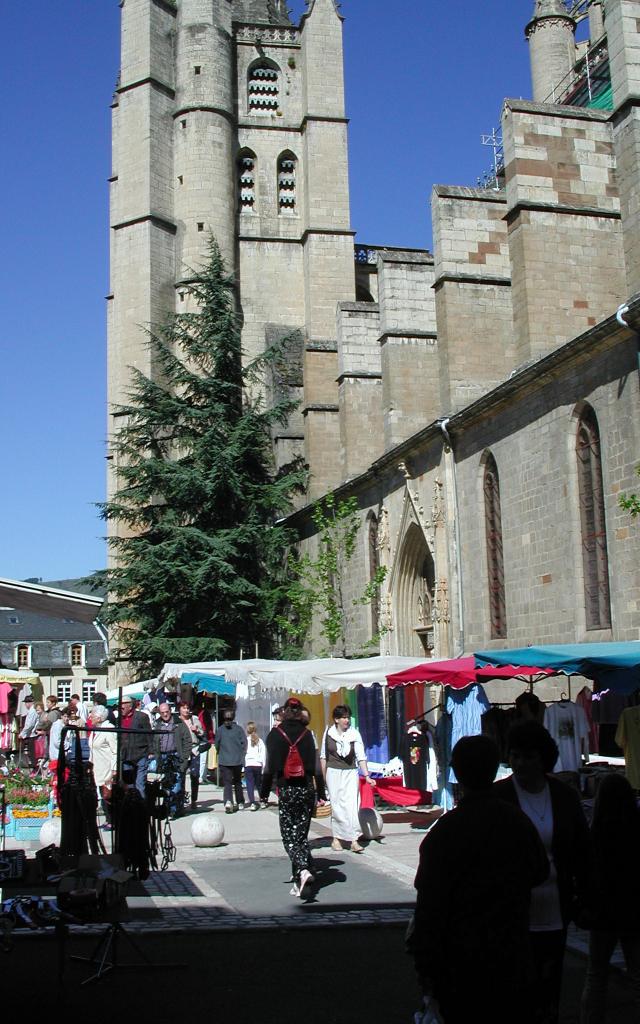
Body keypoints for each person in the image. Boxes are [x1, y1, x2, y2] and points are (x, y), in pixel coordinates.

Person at [407, 735, 549, 1024]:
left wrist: (426, 967)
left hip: (460, 961)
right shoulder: (517, 822)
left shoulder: (445, 832)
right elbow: (539, 872)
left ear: (457, 773)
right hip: (511, 952)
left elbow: (429, 907)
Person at [494, 719, 590, 1024]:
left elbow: (581, 850)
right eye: (515, 755)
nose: (520, 763)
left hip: (556, 905)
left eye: (528, 756)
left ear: (543, 758)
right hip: (513, 908)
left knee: (550, 983)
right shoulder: (500, 797)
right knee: (516, 987)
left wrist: (583, 896)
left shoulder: (563, 796)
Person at [580, 773, 640, 1023]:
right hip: (634, 910)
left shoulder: (595, 834)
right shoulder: (635, 832)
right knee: (636, 975)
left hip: (603, 913)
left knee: (596, 974)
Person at [260, 697, 326, 898]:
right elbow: (317, 768)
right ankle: (301, 879)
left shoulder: (275, 735)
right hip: (306, 788)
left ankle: (303, 869)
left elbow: (268, 768)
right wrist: (322, 792)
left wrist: (263, 793)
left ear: (284, 712)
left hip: (287, 788)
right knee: (301, 834)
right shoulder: (308, 734)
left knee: (288, 835)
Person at [320, 704, 374, 854]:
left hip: (350, 772)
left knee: (352, 806)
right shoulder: (328, 733)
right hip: (333, 773)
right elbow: (323, 757)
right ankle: (336, 838)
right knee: (337, 806)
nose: (347, 720)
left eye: (348, 717)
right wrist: (323, 779)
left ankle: (353, 840)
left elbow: (361, 756)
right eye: (343, 717)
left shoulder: (354, 734)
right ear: (336, 719)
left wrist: (367, 776)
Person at [154, 702, 191, 818]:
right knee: (166, 784)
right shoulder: (158, 724)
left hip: (176, 756)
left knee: (177, 784)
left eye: (167, 712)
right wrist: (157, 758)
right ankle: (167, 808)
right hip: (163, 757)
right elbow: (155, 742)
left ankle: (174, 809)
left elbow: (187, 740)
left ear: (170, 711)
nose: (165, 715)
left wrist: (184, 758)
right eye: (162, 713)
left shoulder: (179, 723)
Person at [88, 705, 118, 828]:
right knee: (102, 793)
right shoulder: (95, 730)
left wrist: (114, 769)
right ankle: (108, 819)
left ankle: (113, 821)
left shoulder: (109, 729)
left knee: (108, 794)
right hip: (97, 767)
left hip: (107, 767)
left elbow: (115, 750)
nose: (90, 717)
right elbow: (92, 749)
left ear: (99, 718)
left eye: (92, 715)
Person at [215, 709, 247, 813]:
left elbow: (216, 744)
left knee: (227, 782)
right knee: (237, 781)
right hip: (237, 759)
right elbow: (244, 743)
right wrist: (241, 754)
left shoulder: (220, 730)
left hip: (224, 759)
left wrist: (220, 751)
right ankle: (240, 802)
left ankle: (228, 800)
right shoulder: (239, 729)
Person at [120, 696, 152, 797]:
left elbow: (149, 734)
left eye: (123, 706)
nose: (121, 708)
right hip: (126, 756)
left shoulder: (142, 717)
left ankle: (141, 804)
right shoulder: (119, 719)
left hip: (140, 753)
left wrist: (151, 751)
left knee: (140, 784)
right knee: (128, 784)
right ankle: (130, 803)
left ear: (130, 706)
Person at [178, 702, 204, 811]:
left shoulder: (194, 719)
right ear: (179, 709)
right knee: (181, 776)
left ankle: (194, 800)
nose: (186, 710)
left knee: (195, 775)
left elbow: (202, 733)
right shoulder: (177, 721)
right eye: (184, 708)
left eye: (187, 708)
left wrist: (196, 730)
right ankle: (181, 800)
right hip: (182, 750)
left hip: (194, 750)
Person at [244, 722, 266, 811]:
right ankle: (262, 801)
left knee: (250, 784)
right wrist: (263, 766)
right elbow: (263, 754)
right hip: (258, 764)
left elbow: (243, 753)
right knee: (259, 784)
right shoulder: (260, 741)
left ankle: (252, 803)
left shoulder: (245, 741)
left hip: (248, 764)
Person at [19, 695, 39, 771]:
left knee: (33, 753)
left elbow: (29, 725)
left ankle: (35, 769)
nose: (25, 705)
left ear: (29, 703)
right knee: (31, 753)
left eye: (26, 703)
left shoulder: (32, 711)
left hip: (32, 735)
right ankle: (34, 768)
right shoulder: (31, 711)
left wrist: (22, 734)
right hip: (31, 734)